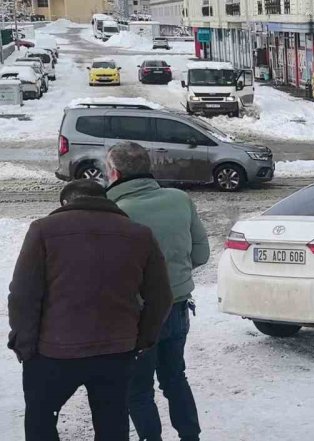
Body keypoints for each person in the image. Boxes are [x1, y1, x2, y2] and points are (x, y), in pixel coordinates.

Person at [8, 179, 173, 441]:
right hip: (116, 350)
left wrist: (25, 346)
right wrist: (142, 339)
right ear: (106, 200)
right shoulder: (139, 234)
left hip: (54, 351)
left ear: (66, 202)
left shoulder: (44, 230)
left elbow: (23, 294)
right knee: (112, 425)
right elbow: (161, 296)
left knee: (41, 421)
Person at [104, 142, 210, 441]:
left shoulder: (114, 212)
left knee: (138, 389)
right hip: (177, 306)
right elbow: (201, 254)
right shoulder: (179, 199)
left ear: (114, 172)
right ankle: (190, 436)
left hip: (136, 316)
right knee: (175, 378)